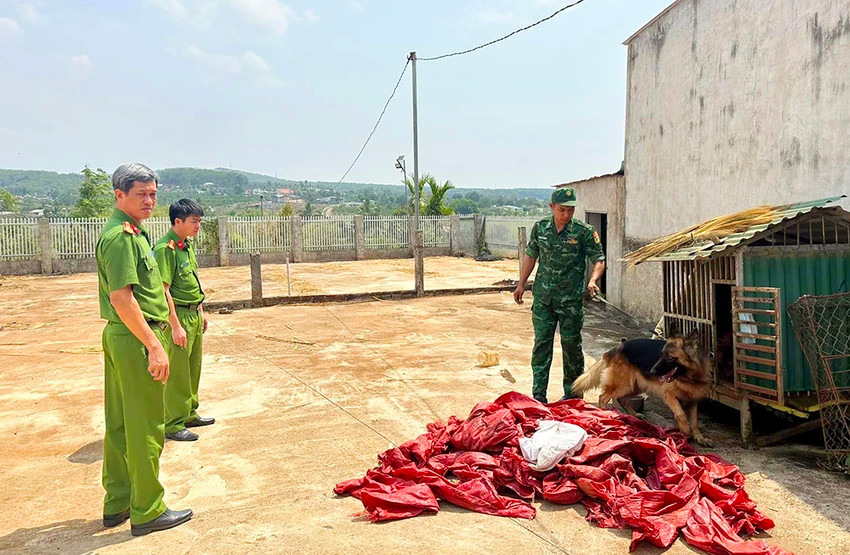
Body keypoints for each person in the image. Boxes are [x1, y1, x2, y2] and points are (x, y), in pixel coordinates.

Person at [96, 163, 193, 536]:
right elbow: (122, 297)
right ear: (119, 195)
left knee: (120, 424)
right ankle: (148, 509)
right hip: (137, 337)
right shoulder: (121, 236)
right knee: (146, 426)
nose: (150, 200)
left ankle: (118, 501)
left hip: (124, 337)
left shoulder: (131, 232)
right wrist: (154, 344)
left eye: (153, 193)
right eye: (142, 194)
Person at [513, 187, 606, 404]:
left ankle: (573, 395)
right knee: (541, 345)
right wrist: (521, 285)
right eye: (562, 210)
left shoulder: (584, 232)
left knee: (572, 347)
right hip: (543, 299)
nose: (566, 214)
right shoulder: (541, 228)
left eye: (571, 210)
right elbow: (530, 256)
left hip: (570, 301)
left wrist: (593, 280)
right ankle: (538, 395)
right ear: (552, 207)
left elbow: (599, 259)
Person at [153, 199, 214, 442]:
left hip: (193, 314)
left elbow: (192, 283)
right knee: (178, 372)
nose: (198, 226)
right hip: (177, 316)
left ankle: (189, 412)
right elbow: (164, 290)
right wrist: (176, 325)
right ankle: (173, 422)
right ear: (178, 221)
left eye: (199, 221)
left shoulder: (185, 246)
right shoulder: (165, 250)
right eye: (194, 221)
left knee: (192, 368)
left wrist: (201, 311)